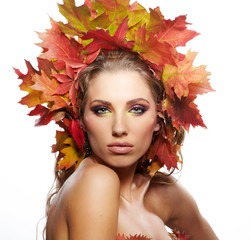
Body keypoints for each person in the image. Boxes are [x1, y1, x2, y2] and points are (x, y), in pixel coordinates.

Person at [15, 0, 218, 239]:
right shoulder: (96, 181)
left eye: (137, 109)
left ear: (158, 118)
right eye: (102, 110)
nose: (119, 128)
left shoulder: (164, 195)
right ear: (80, 119)